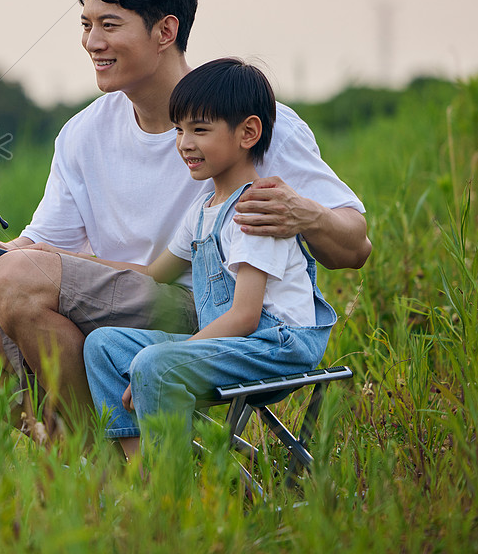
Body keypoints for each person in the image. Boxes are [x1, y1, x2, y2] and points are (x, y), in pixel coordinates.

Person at [0, 0, 369, 419]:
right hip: (113, 301)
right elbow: (38, 249)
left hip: (214, 313)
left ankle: (99, 473)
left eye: (109, 24)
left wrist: (305, 213)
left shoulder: (256, 121)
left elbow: (355, 247)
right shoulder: (82, 134)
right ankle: (71, 445)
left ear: (165, 31)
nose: (91, 42)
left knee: (18, 277)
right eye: (85, 24)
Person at [82, 57, 336, 460]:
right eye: (179, 129)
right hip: (238, 343)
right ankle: (140, 472)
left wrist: (162, 360)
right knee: (104, 345)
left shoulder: (256, 208)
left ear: (248, 132)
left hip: (277, 344)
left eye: (200, 129)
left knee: (153, 364)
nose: (185, 143)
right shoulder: (203, 210)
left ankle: (170, 492)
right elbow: (153, 273)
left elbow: (245, 316)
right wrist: (61, 257)